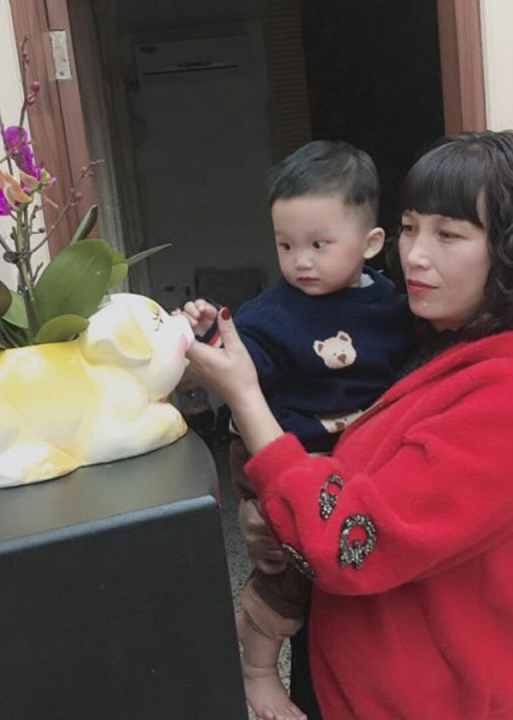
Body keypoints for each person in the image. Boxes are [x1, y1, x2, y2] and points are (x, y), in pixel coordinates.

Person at [186, 129, 513, 720]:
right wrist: (274, 512)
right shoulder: (429, 339)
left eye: (448, 234)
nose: (416, 255)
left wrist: (246, 399)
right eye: (410, 227)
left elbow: (352, 542)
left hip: (418, 702)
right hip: (350, 668)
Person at [183, 140, 414, 720]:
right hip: (272, 455)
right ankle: (259, 671)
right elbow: (239, 362)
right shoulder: (272, 314)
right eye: (285, 245)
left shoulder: (393, 307)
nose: (300, 262)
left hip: (338, 468)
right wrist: (208, 333)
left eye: (318, 244)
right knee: (286, 567)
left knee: (330, 567)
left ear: (371, 244)